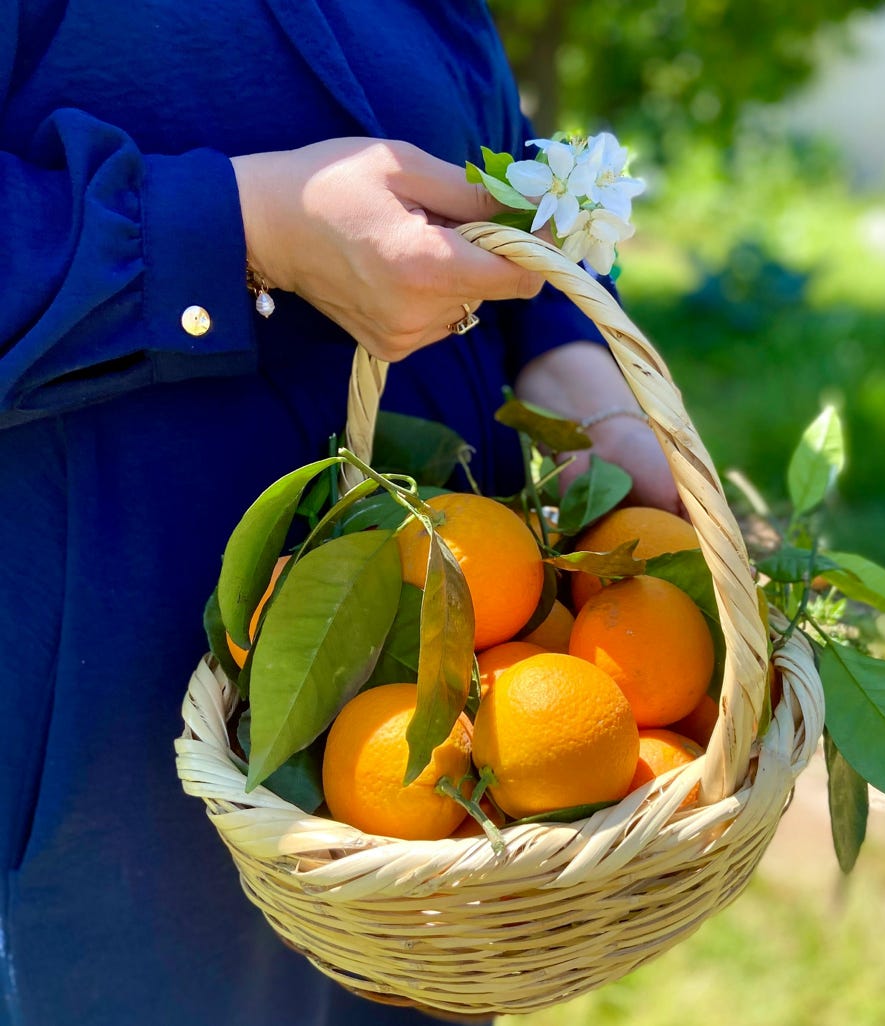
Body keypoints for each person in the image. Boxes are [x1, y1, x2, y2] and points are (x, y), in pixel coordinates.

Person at [0, 3, 677, 1025]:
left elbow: (485, 144)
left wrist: (586, 382)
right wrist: (236, 231)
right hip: (109, 756)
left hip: (452, 736)